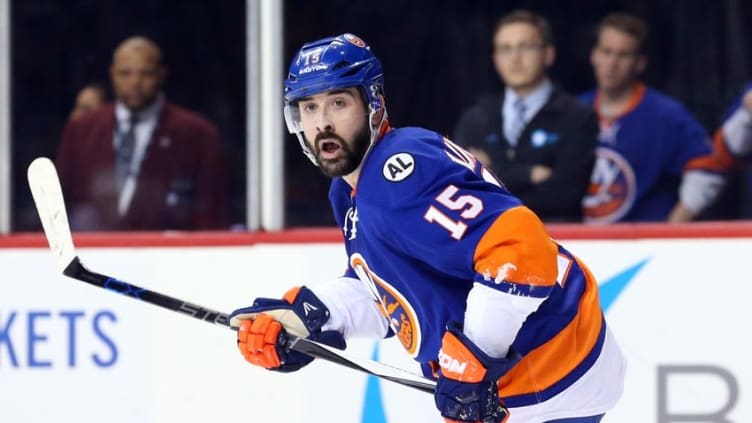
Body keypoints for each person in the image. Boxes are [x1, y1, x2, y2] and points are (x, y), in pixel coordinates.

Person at [229, 33, 625, 423]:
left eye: (338, 102)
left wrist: (473, 356)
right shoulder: (350, 191)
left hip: (551, 369)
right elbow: (392, 294)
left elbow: (520, 248)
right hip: (540, 377)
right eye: (309, 108)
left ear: (374, 105)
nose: (323, 124)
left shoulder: (398, 171)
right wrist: (312, 315)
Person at [55, 36, 229, 230]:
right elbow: (60, 204)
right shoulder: (81, 130)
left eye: (146, 73)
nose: (135, 82)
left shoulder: (197, 134)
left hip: (169, 254)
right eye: (125, 73)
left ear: (162, 74)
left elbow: (211, 212)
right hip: (92, 251)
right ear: (112, 74)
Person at [452, 10, 598, 222]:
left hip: (556, 242)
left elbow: (564, 196)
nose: (515, 58)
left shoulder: (578, 117)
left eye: (525, 47)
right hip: (489, 243)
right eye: (505, 49)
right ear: (495, 59)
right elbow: (460, 187)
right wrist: (528, 174)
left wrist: (492, 171)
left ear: (548, 54)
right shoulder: (475, 118)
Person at [579, 13, 724, 224]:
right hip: (580, 245)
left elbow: (709, 168)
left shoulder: (666, 116)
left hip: (643, 246)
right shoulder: (574, 110)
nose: (612, 63)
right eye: (606, 52)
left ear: (639, 63)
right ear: (594, 55)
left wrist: (673, 227)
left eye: (623, 55)